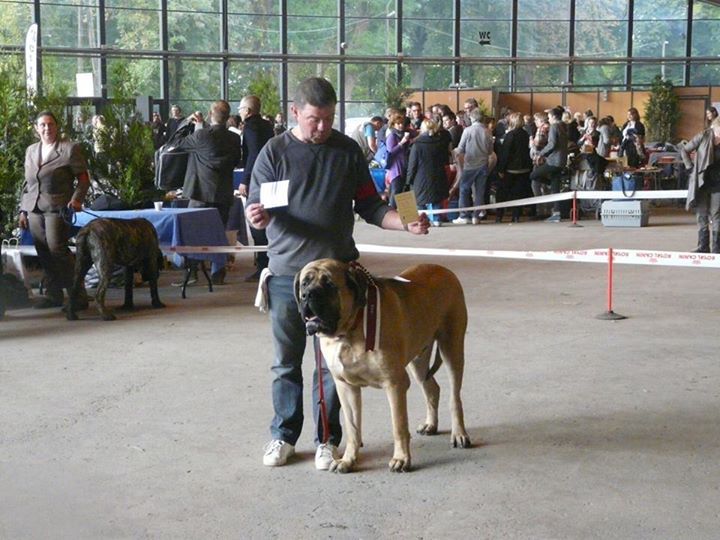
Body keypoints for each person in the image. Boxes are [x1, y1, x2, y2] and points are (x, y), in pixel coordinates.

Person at [245, 77, 429, 470]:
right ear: (296, 112)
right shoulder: (273, 152)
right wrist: (256, 216)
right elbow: (257, 210)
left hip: (339, 281)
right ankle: (283, 435)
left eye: (329, 118)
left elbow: (370, 207)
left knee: (334, 368)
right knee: (285, 361)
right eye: (314, 119)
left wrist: (406, 223)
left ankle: (328, 439)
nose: (323, 127)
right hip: (287, 277)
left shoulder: (347, 151)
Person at [18, 111, 90, 309]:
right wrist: (23, 210)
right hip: (33, 208)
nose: (47, 128)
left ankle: (77, 295)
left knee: (57, 249)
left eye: (50, 124)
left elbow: (83, 179)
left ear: (57, 127)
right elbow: (27, 184)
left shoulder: (69, 149)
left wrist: (76, 200)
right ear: (36, 128)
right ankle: (53, 294)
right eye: (42, 125)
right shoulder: (31, 150)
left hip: (58, 206)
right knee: (43, 252)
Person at [172, 100, 242, 284]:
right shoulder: (234, 139)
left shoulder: (202, 136)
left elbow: (176, 142)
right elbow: (236, 161)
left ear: (211, 114)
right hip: (223, 193)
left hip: (200, 193)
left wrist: (189, 123)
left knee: (192, 234)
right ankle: (218, 273)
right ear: (228, 117)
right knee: (219, 233)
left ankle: (192, 273)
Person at [237, 95, 275, 282]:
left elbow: (253, 155)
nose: (240, 112)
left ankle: (262, 267)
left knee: (256, 222)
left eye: (241, 109)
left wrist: (245, 180)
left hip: (256, 180)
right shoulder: (267, 125)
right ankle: (267, 263)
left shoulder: (251, 127)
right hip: (270, 178)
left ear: (248, 111)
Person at [680, 116, 720, 253]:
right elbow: (684, 150)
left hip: (718, 183)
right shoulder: (703, 136)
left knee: (716, 214)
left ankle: (717, 248)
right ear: (714, 128)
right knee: (701, 214)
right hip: (702, 182)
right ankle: (703, 247)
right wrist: (689, 167)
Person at [452, 108, 494, 225]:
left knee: (464, 189)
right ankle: (476, 216)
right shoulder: (488, 131)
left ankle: (464, 215)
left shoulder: (468, 131)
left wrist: (453, 152)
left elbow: (460, 148)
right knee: (480, 191)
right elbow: (490, 151)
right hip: (483, 165)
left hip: (470, 165)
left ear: (473, 118)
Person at [405, 119, 450, 227]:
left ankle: (422, 220)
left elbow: (412, 165)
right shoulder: (440, 143)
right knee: (436, 199)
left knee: (421, 201)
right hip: (438, 176)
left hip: (420, 178)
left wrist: (408, 180)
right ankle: (436, 219)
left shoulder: (417, 145)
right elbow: (446, 161)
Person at [530, 106, 568, 223]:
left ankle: (550, 185)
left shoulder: (554, 127)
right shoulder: (563, 126)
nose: (548, 119)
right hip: (562, 160)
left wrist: (540, 154)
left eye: (549, 117)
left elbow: (552, 144)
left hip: (553, 161)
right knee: (555, 188)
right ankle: (557, 213)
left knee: (533, 175)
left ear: (553, 117)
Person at [496, 112, 533, 223]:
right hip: (524, 168)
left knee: (502, 192)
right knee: (518, 193)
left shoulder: (510, 135)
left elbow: (505, 153)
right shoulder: (525, 134)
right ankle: (516, 215)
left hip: (511, 169)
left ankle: (499, 215)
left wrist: (501, 169)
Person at [385, 112, 411, 208]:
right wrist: (402, 143)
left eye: (402, 123)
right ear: (393, 124)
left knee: (399, 191)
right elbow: (390, 152)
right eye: (398, 123)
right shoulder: (392, 136)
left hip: (402, 166)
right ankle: (392, 212)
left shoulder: (402, 134)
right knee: (396, 191)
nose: (401, 126)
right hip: (395, 168)